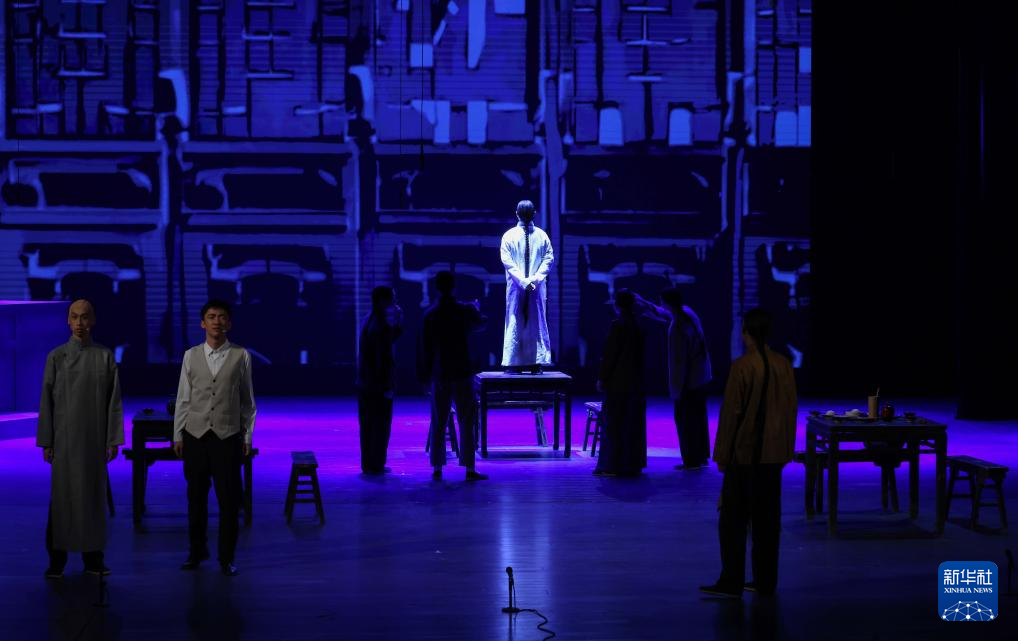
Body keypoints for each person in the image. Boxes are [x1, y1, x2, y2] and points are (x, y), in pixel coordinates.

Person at [700, 308, 797, 598]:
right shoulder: (784, 364)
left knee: (733, 520)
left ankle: (732, 580)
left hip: (744, 455)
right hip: (772, 456)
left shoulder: (743, 366)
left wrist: (722, 455)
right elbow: (790, 410)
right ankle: (765, 581)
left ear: (747, 332)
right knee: (768, 522)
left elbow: (732, 415)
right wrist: (784, 451)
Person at [37, 299, 124, 578]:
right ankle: (57, 560)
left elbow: (114, 402)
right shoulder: (56, 357)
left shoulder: (104, 357)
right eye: (74, 317)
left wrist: (113, 439)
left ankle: (93, 559)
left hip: (93, 439)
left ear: (93, 320)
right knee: (61, 499)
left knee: (93, 498)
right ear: (67, 321)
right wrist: (47, 441)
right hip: (64, 439)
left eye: (84, 317)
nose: (79, 323)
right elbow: (46, 401)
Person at [173, 300, 256, 576]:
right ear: (202, 323)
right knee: (196, 498)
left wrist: (247, 436)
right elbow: (183, 397)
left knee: (228, 501)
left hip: (227, 436)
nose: (216, 321)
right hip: (195, 435)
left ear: (229, 323)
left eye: (222, 317)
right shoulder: (190, 355)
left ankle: (226, 557)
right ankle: (196, 552)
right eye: (211, 317)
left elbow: (247, 402)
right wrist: (178, 434)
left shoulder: (241, 355)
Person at [418, 271, 488, 481]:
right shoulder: (464, 310)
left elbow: (425, 349)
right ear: (454, 287)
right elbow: (481, 324)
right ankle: (469, 468)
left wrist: (425, 377)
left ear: (436, 287)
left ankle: (437, 468)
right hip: (462, 371)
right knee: (467, 420)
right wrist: (476, 309)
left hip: (440, 373)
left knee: (439, 420)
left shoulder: (430, 314)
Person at [636, 288, 713, 469]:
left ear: (665, 302)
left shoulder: (677, 326)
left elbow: (679, 362)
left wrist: (677, 389)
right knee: (698, 419)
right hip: (701, 377)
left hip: (688, 382)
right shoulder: (688, 313)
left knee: (686, 421)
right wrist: (644, 303)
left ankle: (691, 460)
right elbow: (664, 313)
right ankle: (700, 456)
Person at [594, 289, 647, 477]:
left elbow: (610, 356)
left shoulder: (618, 325)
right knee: (631, 422)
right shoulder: (638, 325)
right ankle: (631, 464)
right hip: (635, 381)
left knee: (614, 423)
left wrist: (602, 378)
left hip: (617, 382)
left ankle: (612, 465)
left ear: (617, 305)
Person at [500, 199, 555, 372]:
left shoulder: (540, 236)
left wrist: (534, 280)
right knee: (518, 320)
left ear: (516, 214)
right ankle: (517, 361)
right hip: (520, 287)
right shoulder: (511, 236)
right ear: (534, 214)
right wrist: (526, 282)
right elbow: (508, 262)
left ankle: (532, 361)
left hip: (532, 288)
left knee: (534, 321)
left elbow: (548, 259)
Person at [357, 286, 403, 475]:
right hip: (377, 385)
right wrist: (387, 385)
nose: (394, 300)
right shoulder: (380, 325)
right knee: (381, 425)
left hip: (365, 383)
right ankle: (376, 464)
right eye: (392, 297)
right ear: (383, 300)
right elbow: (382, 358)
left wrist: (397, 322)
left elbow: (388, 339)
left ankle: (369, 463)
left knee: (368, 426)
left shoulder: (369, 320)